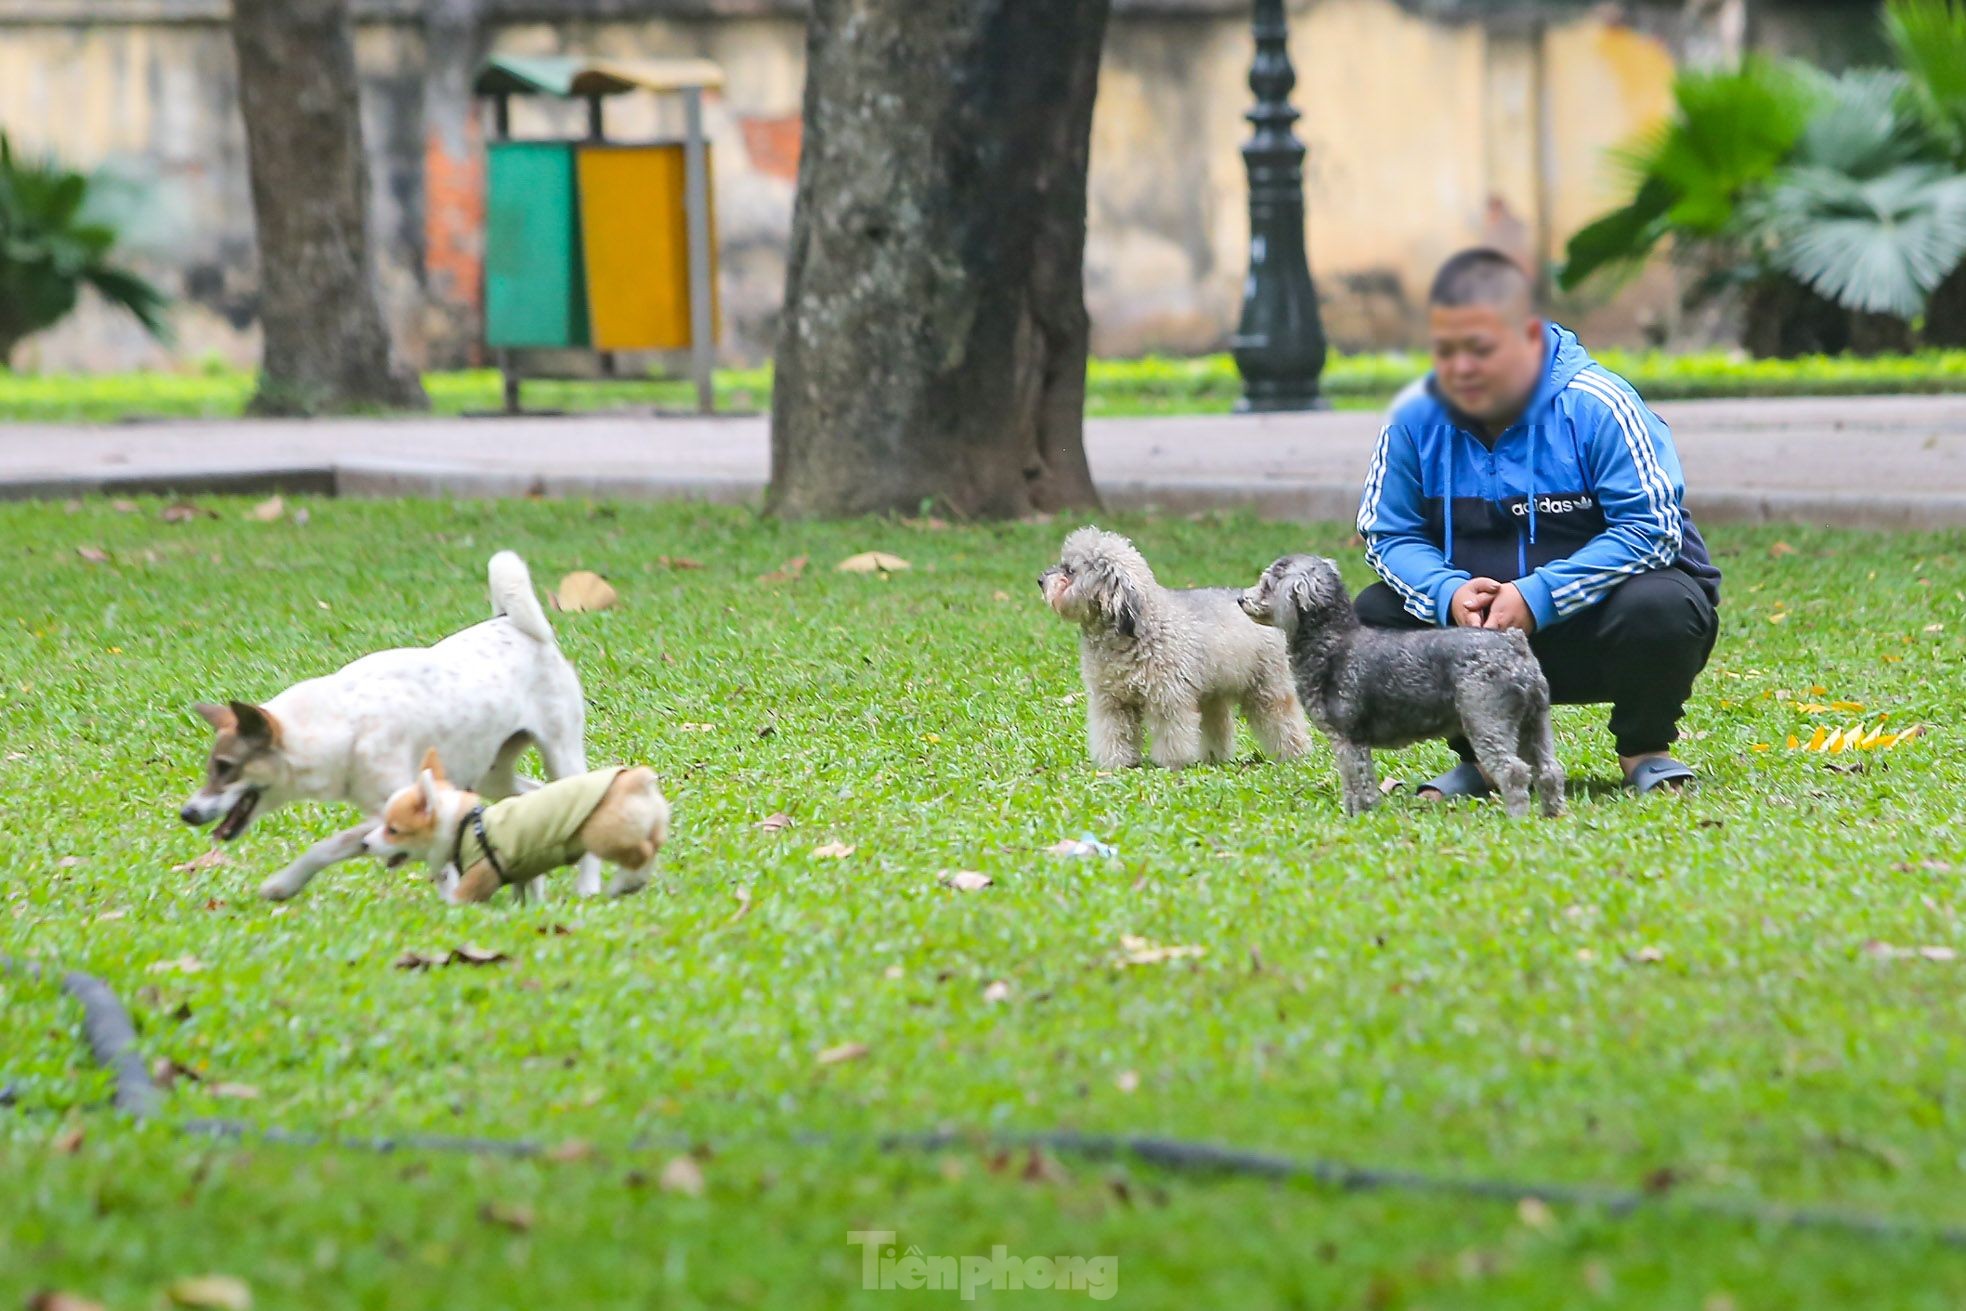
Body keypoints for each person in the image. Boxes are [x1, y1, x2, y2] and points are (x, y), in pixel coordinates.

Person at [1354, 248, 1721, 797]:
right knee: (1374, 616)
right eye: (1446, 350)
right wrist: (1449, 593)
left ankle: (1646, 751)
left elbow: (1653, 528)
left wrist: (1538, 596)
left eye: (1480, 349)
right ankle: (1482, 758)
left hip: (1598, 630)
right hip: (1479, 635)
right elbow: (1389, 534)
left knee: (1662, 606)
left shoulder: (1599, 405)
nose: (1460, 369)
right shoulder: (1414, 420)